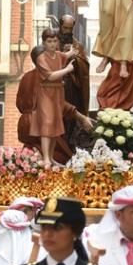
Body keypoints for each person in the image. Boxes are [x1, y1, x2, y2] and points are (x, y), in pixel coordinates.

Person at [30, 28, 79, 166]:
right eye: (49, 41)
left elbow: (66, 55)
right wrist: (67, 70)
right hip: (46, 94)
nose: (52, 44)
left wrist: (73, 51)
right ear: (44, 43)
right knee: (47, 123)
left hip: (57, 93)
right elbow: (50, 76)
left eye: (54, 41)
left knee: (56, 125)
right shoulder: (41, 58)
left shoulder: (57, 55)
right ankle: (45, 157)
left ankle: (50, 157)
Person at [58, 14, 91, 116]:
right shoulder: (52, 41)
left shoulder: (77, 45)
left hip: (72, 85)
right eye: (65, 28)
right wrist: (64, 54)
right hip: (56, 84)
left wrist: (75, 59)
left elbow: (85, 67)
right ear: (60, 26)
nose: (68, 31)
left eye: (70, 28)